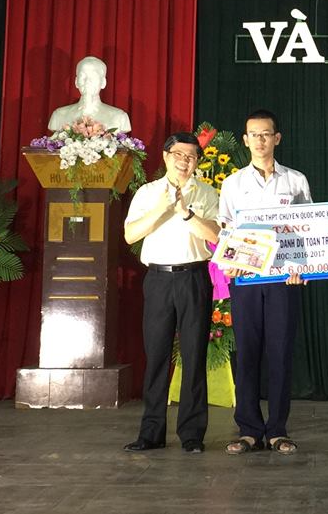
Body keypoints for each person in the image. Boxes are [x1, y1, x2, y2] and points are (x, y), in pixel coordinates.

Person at [218, 109, 311, 456]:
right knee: (247, 352)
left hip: (284, 279)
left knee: (280, 353)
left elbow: (309, 229)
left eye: (266, 134)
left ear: (277, 138)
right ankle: (248, 430)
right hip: (246, 279)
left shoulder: (295, 181)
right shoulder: (233, 183)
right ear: (245, 140)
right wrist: (231, 262)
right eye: (253, 134)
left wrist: (303, 267)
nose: (259, 140)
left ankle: (277, 430)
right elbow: (225, 228)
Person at [123, 133, 220, 454]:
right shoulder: (147, 192)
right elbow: (130, 234)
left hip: (194, 278)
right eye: (178, 154)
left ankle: (192, 434)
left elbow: (215, 235)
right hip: (158, 279)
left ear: (197, 161)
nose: (184, 161)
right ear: (165, 156)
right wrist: (163, 208)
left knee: (194, 356)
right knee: (156, 356)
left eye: (191, 156)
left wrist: (185, 212)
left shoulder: (207, 193)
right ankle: (151, 433)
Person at [47, 56, 131, 132]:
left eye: (93, 76)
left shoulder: (119, 117)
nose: (87, 81)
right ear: (76, 82)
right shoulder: (59, 115)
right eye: (82, 76)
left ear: (103, 82)